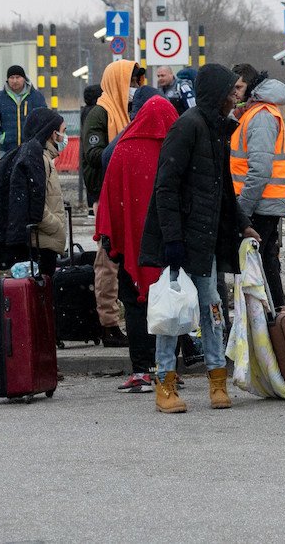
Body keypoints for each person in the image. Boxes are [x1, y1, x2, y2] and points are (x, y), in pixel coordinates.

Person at [140, 64, 258, 415]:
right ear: (217, 95)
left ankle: (217, 380)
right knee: (172, 314)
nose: (236, 98)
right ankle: (164, 384)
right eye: (231, 93)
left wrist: (242, 224)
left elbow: (224, 190)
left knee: (211, 309)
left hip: (206, 240)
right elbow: (166, 188)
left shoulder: (218, 130)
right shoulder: (187, 127)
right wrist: (172, 241)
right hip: (181, 242)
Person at [95, 94, 179, 393]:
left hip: (134, 244)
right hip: (169, 244)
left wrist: (111, 239)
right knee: (171, 304)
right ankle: (167, 367)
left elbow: (109, 200)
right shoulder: (175, 149)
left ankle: (141, 370)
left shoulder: (123, 149)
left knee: (135, 306)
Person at [0, 106, 66, 274]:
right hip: (43, 242)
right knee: (44, 293)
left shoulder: (35, 155)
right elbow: (35, 206)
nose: (65, 137)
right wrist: (57, 226)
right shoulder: (38, 159)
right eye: (63, 131)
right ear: (53, 133)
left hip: (43, 240)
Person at [80, 59, 138, 346]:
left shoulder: (123, 113)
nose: (133, 90)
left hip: (123, 194)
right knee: (108, 262)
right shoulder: (100, 114)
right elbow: (92, 156)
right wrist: (123, 145)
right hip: (105, 195)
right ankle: (108, 323)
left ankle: (124, 319)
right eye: (130, 83)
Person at [231, 70, 285, 310]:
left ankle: (272, 321)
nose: (234, 92)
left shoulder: (261, 116)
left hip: (259, 204)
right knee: (264, 265)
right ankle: (274, 321)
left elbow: (260, 169)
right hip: (261, 203)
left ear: (251, 87)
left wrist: (242, 212)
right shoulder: (253, 113)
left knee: (260, 268)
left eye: (238, 87)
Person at [0, 65, 47, 155]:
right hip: (7, 150)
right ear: (7, 80)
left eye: (18, 77)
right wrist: (0, 138)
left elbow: (45, 120)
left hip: (31, 150)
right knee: (7, 169)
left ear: (24, 78)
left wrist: (37, 139)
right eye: (11, 77)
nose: (14, 81)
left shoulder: (36, 96)